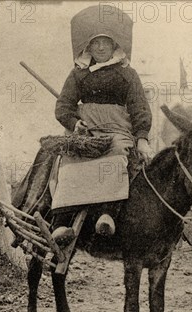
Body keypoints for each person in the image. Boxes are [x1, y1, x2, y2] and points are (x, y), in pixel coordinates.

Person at [54, 31, 153, 240]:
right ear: (88, 48)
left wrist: (142, 137)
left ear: (114, 45)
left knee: (116, 152)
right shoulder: (78, 73)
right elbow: (63, 106)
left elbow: (139, 108)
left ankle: (107, 213)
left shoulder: (128, 74)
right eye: (95, 43)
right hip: (86, 131)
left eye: (105, 43)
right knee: (71, 156)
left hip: (117, 129)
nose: (100, 48)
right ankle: (63, 221)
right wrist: (74, 123)